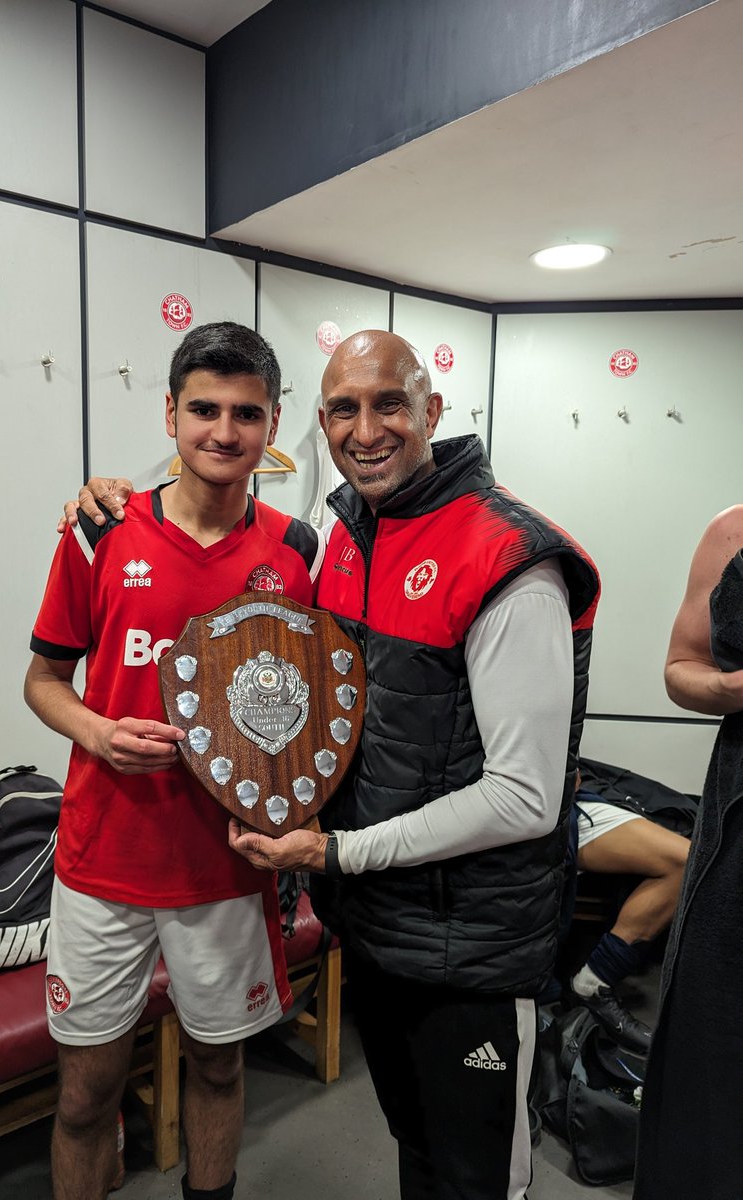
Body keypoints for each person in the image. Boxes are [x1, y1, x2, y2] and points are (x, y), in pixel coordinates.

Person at [72, 329, 600, 1200]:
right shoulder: (345, 536)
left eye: (390, 403)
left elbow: (526, 797)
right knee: (419, 1153)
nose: (367, 429)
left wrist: (333, 854)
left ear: (432, 410)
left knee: (477, 1181)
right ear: (318, 424)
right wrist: (103, 495)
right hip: (381, 928)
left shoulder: (510, 556)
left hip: (474, 948)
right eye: (345, 409)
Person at [25, 322, 324, 1200]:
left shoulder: (298, 552)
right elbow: (43, 680)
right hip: (103, 862)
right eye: (203, 409)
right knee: (84, 1098)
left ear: (273, 425)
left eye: (246, 413)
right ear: (169, 413)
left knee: (222, 1073)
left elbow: (322, 707)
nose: (222, 432)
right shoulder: (99, 530)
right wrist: (97, 732)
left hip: (229, 866)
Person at [634, 507, 743, 1200]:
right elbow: (681, 670)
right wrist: (737, 689)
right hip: (740, 818)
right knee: (717, 1038)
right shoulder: (733, 532)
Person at [567, 773, 690, 1053]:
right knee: (683, 863)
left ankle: (594, 979)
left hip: (571, 796)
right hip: (522, 801)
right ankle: (594, 982)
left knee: (686, 854)